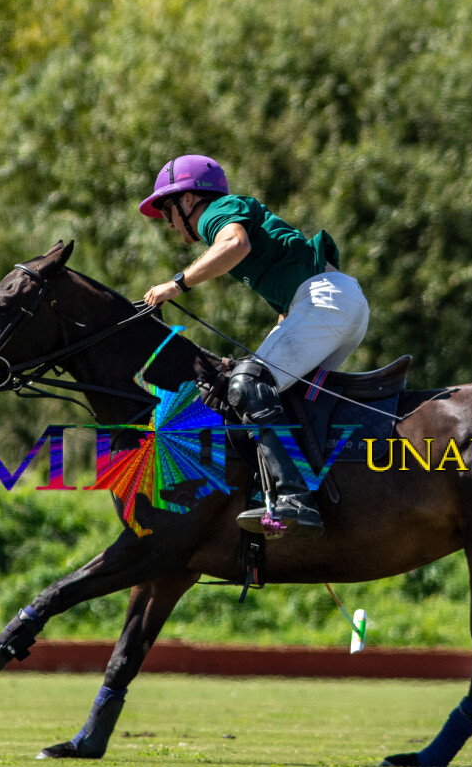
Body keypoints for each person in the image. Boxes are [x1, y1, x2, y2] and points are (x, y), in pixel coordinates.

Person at [139, 155, 369, 538]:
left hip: (327, 301)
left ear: (189, 199)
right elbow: (289, 303)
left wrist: (176, 284)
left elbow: (235, 243)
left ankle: (295, 496)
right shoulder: (235, 214)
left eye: (167, 210)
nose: (168, 221)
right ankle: (301, 489)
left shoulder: (214, 213)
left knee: (247, 386)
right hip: (340, 303)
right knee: (276, 396)